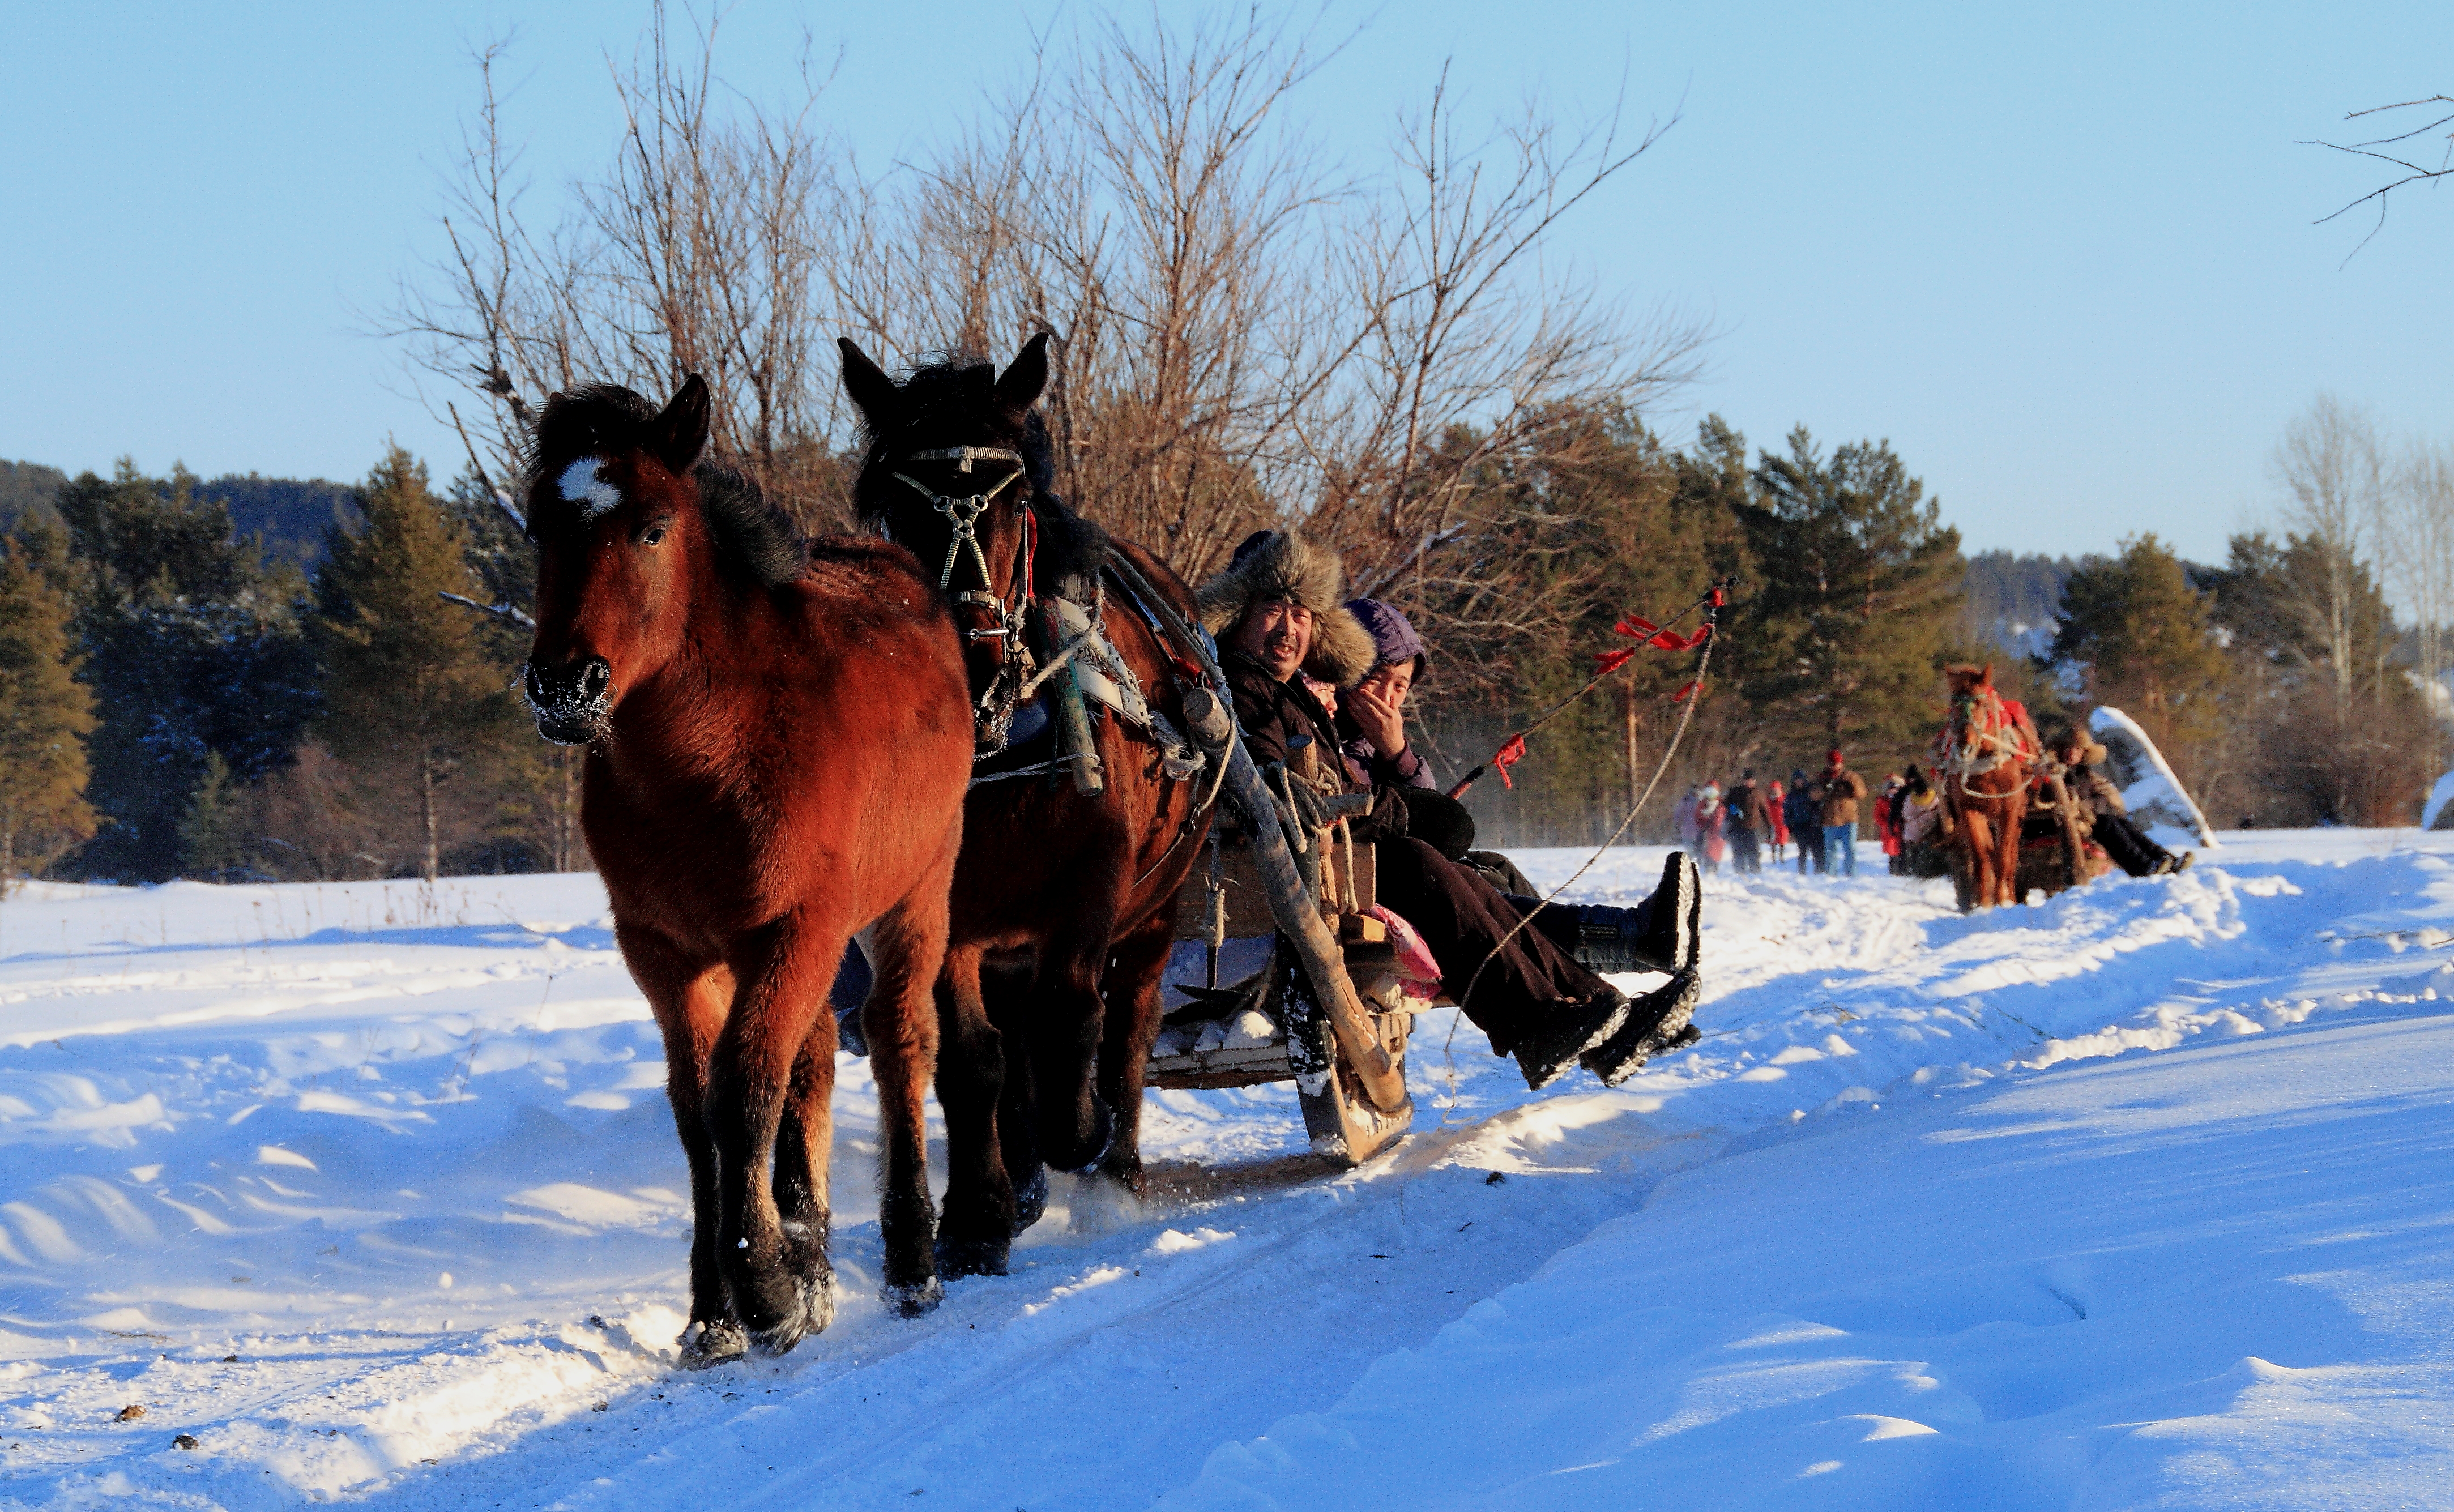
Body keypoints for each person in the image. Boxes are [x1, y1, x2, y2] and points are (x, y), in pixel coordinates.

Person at [1201, 533, 1702, 1088]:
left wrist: (1401, 794)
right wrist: (1404, 809)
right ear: (1237, 610)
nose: (1288, 628)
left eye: (1301, 614)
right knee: (1419, 864)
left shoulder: (1283, 691)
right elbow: (1289, 794)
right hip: (1281, 877)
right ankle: (1546, 1018)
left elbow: (1328, 787)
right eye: (1272, 609)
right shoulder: (1243, 689)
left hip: (1325, 863)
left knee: (1454, 871)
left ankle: (1600, 1011)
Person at [2052, 730, 2192, 878]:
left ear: (2083, 753)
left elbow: (2107, 797)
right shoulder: (2057, 773)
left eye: (2077, 749)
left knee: (2121, 823)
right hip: (2073, 821)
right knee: (2107, 825)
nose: (2072, 753)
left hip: (2092, 816)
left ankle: (2163, 858)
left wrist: (2093, 805)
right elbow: (2068, 803)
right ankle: (2143, 866)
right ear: (2061, 750)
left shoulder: (2085, 774)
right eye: (2068, 748)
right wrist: (2088, 808)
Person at [1817, 749, 1868, 877]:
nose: (1834, 766)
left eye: (1836, 763)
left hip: (1849, 819)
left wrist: (1851, 786)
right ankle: (1830, 876)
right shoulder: (1821, 777)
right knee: (1830, 851)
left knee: (1850, 849)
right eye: (1831, 763)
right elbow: (1813, 796)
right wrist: (1824, 788)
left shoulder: (1851, 776)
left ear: (1842, 763)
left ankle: (1852, 875)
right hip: (1829, 820)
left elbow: (1862, 794)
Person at [1727, 770, 1768, 875]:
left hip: (1753, 827)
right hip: (1737, 826)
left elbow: (1765, 811)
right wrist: (1732, 808)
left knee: (1754, 851)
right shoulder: (1735, 792)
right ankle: (1739, 872)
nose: (1749, 782)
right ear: (1744, 780)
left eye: (1752, 780)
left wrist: (1770, 826)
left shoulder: (1759, 794)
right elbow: (1726, 803)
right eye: (1747, 780)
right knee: (1738, 851)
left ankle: (1755, 871)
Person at [1785, 769, 1824, 875]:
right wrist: (1791, 829)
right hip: (1800, 828)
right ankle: (1801, 874)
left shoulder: (1810, 792)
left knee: (1818, 852)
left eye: (1801, 780)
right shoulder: (1791, 797)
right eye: (1797, 781)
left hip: (1814, 827)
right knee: (1802, 853)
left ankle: (1820, 873)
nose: (1799, 783)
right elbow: (1787, 814)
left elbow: (1820, 804)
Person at [1695, 780, 1726, 874]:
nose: (1711, 793)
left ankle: (1713, 867)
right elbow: (1697, 817)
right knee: (1705, 850)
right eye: (1709, 790)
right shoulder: (1702, 804)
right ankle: (1707, 867)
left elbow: (1729, 816)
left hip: (1719, 834)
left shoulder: (1723, 803)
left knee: (1715, 852)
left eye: (1713, 790)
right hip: (1706, 832)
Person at [1766, 775, 1789, 863]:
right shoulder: (1769, 800)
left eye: (1777, 790)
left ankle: (1781, 856)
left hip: (1783, 824)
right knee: (1773, 841)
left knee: (1782, 841)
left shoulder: (1784, 798)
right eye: (1773, 790)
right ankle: (1773, 856)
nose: (1775, 792)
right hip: (1773, 824)